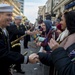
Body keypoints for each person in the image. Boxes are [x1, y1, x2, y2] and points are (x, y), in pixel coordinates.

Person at [29, 11, 75, 75]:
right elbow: (58, 56)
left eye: (62, 20)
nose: (60, 22)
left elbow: (67, 64)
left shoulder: (56, 33)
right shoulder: (67, 35)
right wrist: (40, 55)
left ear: (69, 21)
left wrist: (55, 50)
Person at [0, 3, 37, 75]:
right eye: (8, 15)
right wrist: (26, 59)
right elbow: (2, 53)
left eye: (11, 15)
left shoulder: (4, 28)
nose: (11, 19)